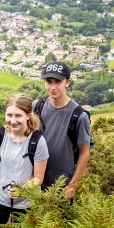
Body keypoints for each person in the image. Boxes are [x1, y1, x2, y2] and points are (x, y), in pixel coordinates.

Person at [0, 94, 48, 228]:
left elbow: (38, 178)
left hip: (26, 201)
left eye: (18, 115)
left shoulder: (38, 141)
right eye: (9, 115)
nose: (13, 120)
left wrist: (22, 189)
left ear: (27, 116)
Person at [34, 62, 92, 200]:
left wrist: (72, 185)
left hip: (61, 187)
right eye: (49, 81)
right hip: (34, 182)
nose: (52, 87)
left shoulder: (79, 116)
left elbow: (85, 152)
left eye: (58, 82)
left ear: (67, 82)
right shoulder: (36, 107)